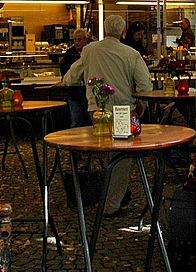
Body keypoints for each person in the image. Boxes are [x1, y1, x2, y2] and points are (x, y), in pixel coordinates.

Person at [61, 15, 151, 216]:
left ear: (104, 28)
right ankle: (112, 202)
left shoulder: (90, 50)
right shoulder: (131, 53)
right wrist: (141, 104)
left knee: (104, 151)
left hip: (97, 109)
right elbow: (145, 84)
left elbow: (73, 74)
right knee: (120, 156)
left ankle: (111, 192)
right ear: (123, 32)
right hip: (123, 111)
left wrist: (65, 81)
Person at [59, 29, 90, 128]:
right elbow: (64, 68)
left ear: (85, 39)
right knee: (76, 119)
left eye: (79, 39)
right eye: (75, 40)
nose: (77, 42)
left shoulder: (91, 51)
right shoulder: (70, 53)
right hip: (73, 92)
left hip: (88, 91)